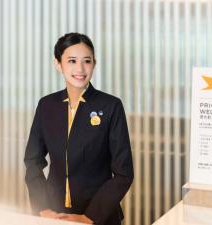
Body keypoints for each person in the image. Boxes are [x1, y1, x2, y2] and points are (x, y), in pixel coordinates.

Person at [24, 33, 134, 225]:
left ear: (94, 63)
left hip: (99, 216)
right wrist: (43, 208)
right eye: (72, 61)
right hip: (54, 215)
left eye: (87, 61)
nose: (80, 69)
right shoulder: (47, 105)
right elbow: (33, 160)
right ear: (58, 64)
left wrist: (89, 217)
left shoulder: (111, 106)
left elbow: (124, 173)